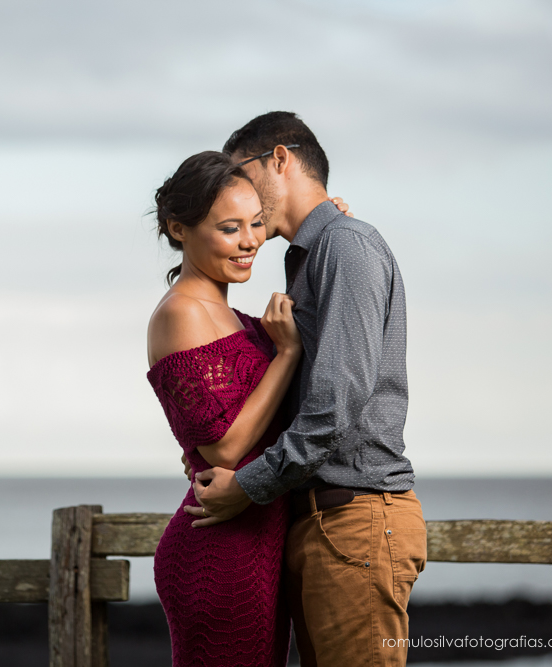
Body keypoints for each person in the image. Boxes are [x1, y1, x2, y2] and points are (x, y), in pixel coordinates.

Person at [188, 111, 427, 667]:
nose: (235, 193)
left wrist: (247, 484)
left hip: (356, 520)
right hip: (325, 521)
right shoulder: (315, 254)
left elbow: (335, 405)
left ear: (279, 159)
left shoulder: (345, 246)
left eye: (239, 174)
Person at [146, 151, 350, 666]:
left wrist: (330, 234)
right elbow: (224, 446)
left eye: (257, 224)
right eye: (230, 228)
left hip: (258, 540)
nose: (250, 241)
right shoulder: (181, 314)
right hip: (220, 551)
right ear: (179, 228)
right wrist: (284, 353)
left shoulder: (233, 315)